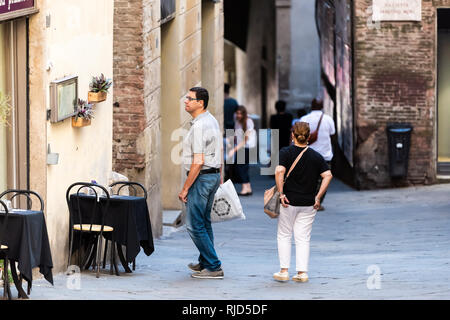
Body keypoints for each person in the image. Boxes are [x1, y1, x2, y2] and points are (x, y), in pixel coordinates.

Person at [273, 122, 332, 283]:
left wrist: (281, 193)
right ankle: (302, 272)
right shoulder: (315, 156)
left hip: (288, 201)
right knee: (303, 238)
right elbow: (328, 175)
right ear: (309, 137)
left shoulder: (285, 152)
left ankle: (284, 271)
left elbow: (279, 171)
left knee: (284, 234)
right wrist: (318, 196)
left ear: (293, 135)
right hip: (308, 203)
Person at [179, 87, 224, 279]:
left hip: (202, 177)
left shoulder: (199, 126)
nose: (185, 101)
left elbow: (198, 161)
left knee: (194, 225)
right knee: (204, 223)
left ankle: (213, 267)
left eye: (190, 98)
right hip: (210, 176)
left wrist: (185, 188)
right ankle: (206, 261)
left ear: (200, 103)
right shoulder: (210, 120)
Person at [300, 99, 335, 211]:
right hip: (325, 155)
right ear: (322, 106)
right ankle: (318, 202)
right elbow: (333, 134)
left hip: (308, 155)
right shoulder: (328, 119)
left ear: (311, 106)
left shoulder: (304, 119)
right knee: (324, 180)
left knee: (309, 180)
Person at [227, 106, 256, 196]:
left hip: (246, 147)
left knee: (241, 167)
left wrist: (234, 150)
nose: (238, 115)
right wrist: (230, 140)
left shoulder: (248, 121)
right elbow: (237, 134)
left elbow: (245, 140)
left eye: (240, 113)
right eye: (237, 113)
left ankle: (244, 188)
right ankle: (248, 188)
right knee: (243, 167)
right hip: (241, 146)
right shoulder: (236, 120)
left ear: (244, 114)